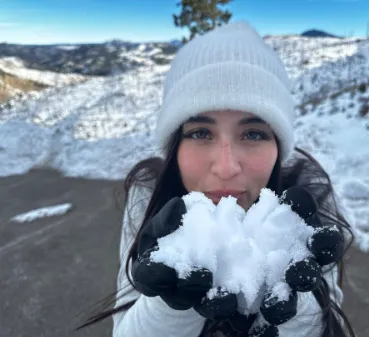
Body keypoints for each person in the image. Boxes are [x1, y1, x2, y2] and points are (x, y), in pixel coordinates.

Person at [77, 21, 355, 337]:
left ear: (278, 147)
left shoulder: (308, 207)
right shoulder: (149, 196)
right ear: (174, 147)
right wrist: (170, 304)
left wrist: (294, 306)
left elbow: (329, 319)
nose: (225, 167)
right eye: (200, 132)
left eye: (253, 133)